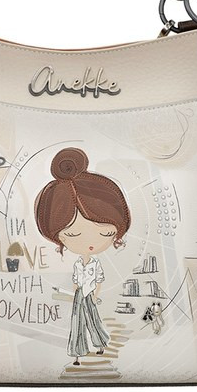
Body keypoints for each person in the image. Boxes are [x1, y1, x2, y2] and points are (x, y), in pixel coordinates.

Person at [34, 148, 131, 366]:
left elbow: (98, 281)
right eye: (72, 235)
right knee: (77, 322)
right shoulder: (79, 263)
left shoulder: (95, 263)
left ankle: (100, 343)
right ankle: (77, 352)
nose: (89, 242)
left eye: (106, 233)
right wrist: (78, 292)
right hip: (80, 295)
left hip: (89, 294)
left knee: (93, 319)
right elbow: (77, 282)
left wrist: (95, 295)